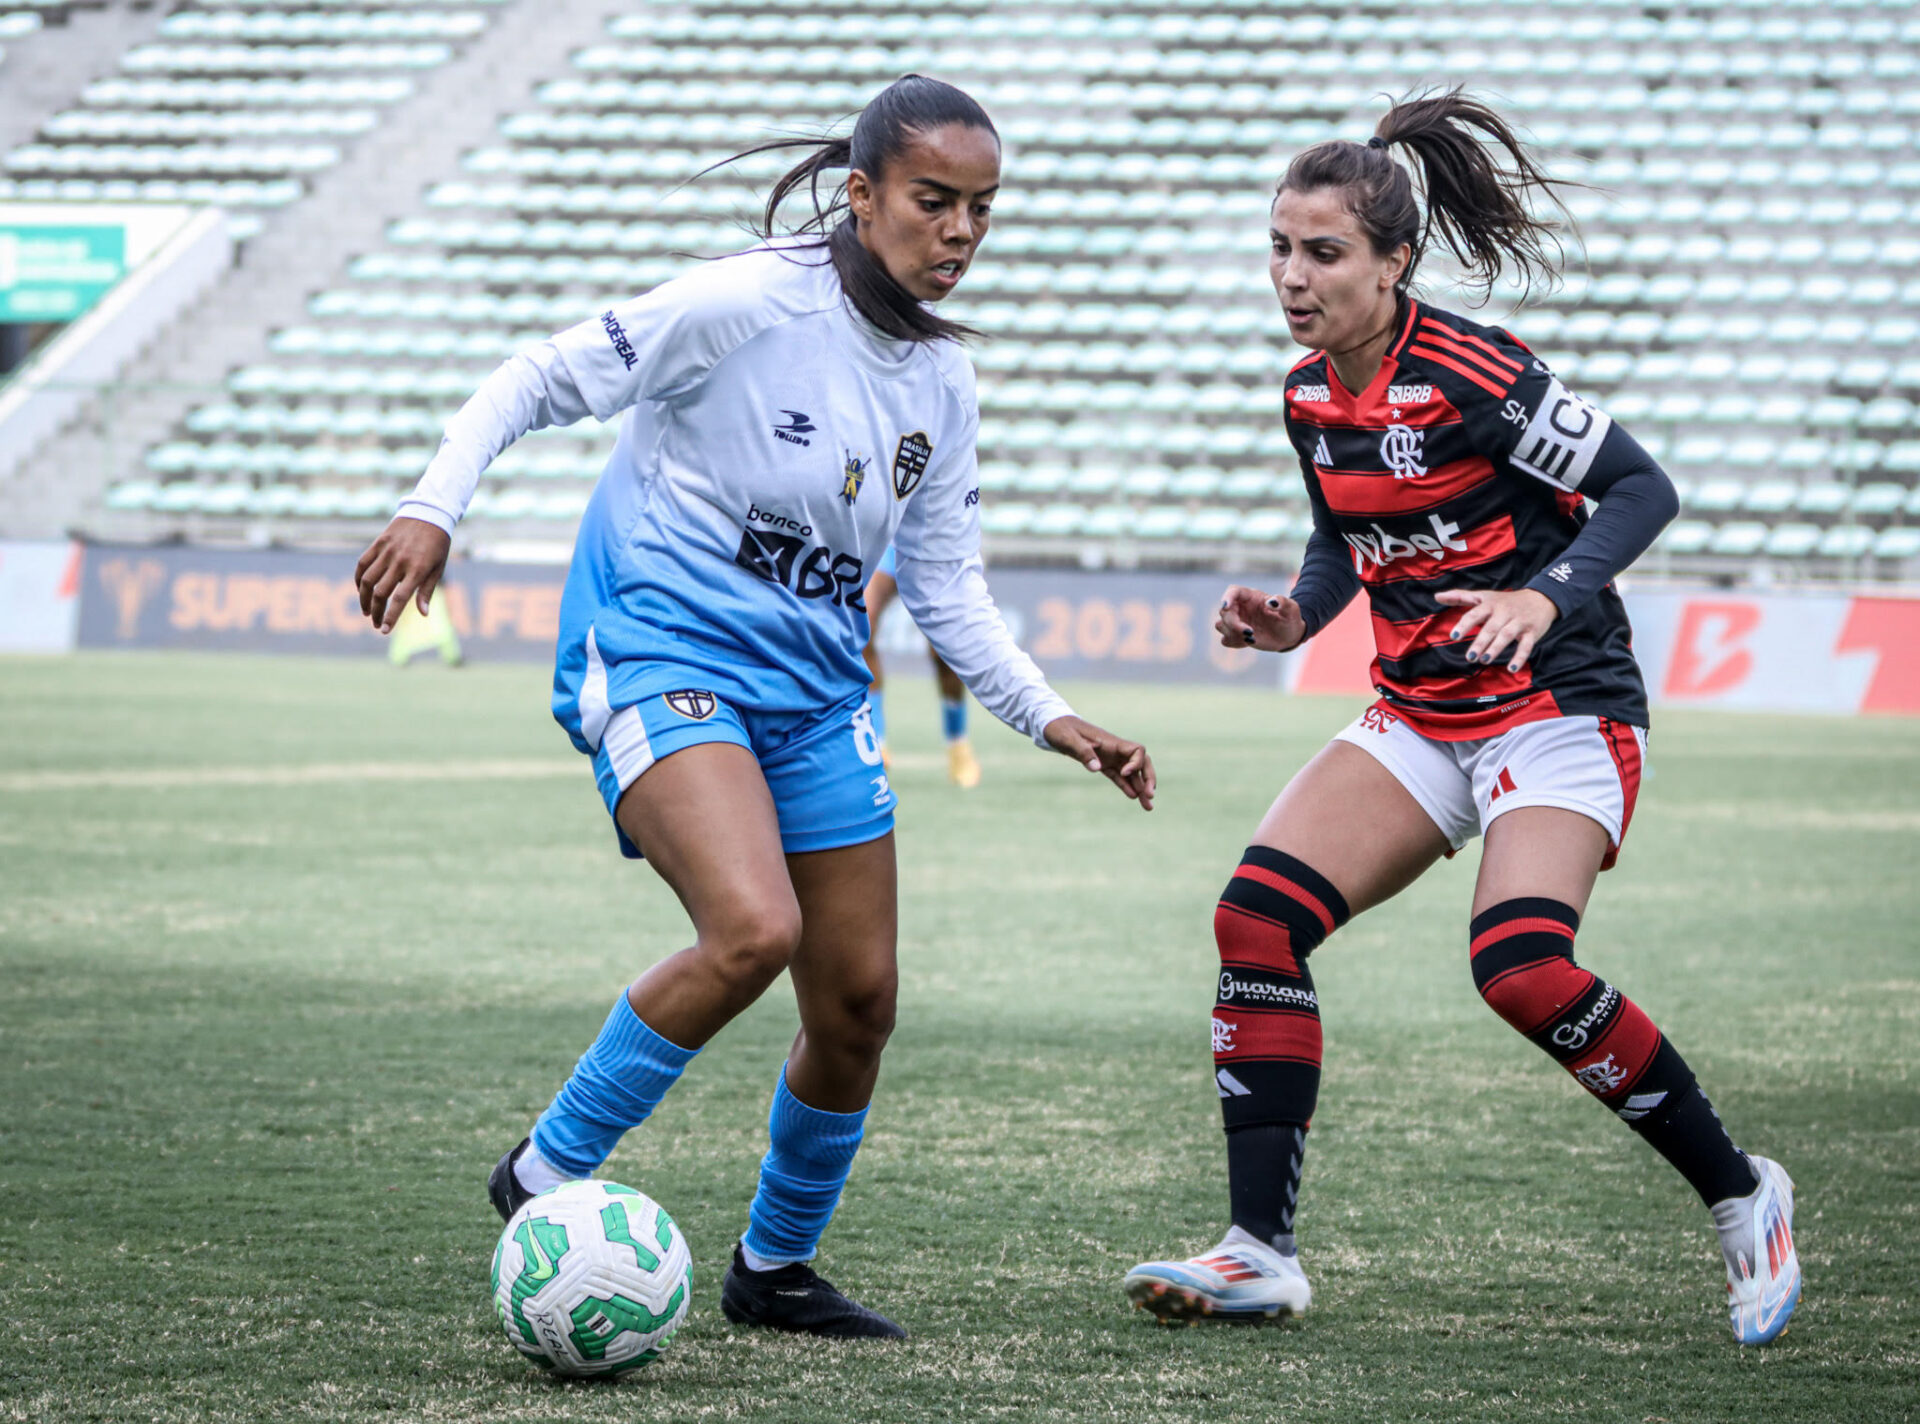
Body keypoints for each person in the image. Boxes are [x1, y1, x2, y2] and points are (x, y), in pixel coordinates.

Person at [354, 75, 1155, 1341]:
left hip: (815, 694)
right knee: (751, 929)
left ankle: (773, 1271)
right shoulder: (742, 302)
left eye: (982, 212)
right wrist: (430, 509)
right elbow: (534, 380)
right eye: (933, 202)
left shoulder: (940, 387)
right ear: (864, 194)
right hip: (661, 650)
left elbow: (946, 589)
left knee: (859, 1003)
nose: (959, 233)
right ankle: (545, 1172)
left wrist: (1054, 718)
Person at [1121, 90, 1798, 1346]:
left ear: (1395, 262)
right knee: (1254, 923)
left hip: (1556, 707)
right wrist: (1295, 617)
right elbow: (1344, 537)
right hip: (1424, 713)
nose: (1292, 275)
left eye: (1322, 252)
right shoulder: (1311, 392)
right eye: (1279, 246)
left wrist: (1546, 597)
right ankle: (1258, 1252)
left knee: (1522, 968)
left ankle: (1743, 1192)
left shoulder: (1476, 370)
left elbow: (1644, 489)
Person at [862, 543, 983, 787]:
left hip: (933, 549)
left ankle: (957, 742)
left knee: (944, 651)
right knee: (863, 624)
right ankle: (878, 742)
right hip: (888, 545)